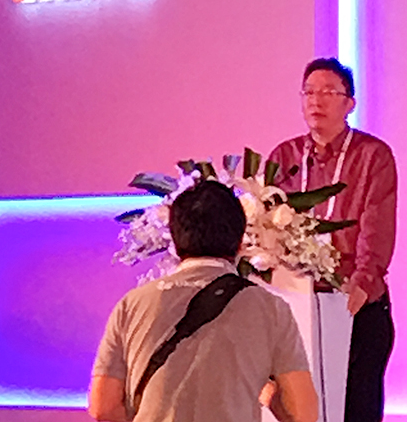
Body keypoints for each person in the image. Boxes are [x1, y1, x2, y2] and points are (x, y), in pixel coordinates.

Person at [89, 179, 320, 422]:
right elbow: (303, 414)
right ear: (240, 241)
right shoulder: (270, 308)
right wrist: (264, 389)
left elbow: (103, 407)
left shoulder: (132, 304)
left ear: (175, 241)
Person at [268, 57, 397, 422]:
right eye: (309, 92)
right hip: (298, 305)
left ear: (349, 103)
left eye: (328, 92)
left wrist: (362, 281)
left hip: (354, 305)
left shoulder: (372, 156)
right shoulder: (285, 157)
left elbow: (376, 226)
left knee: (356, 409)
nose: (316, 101)